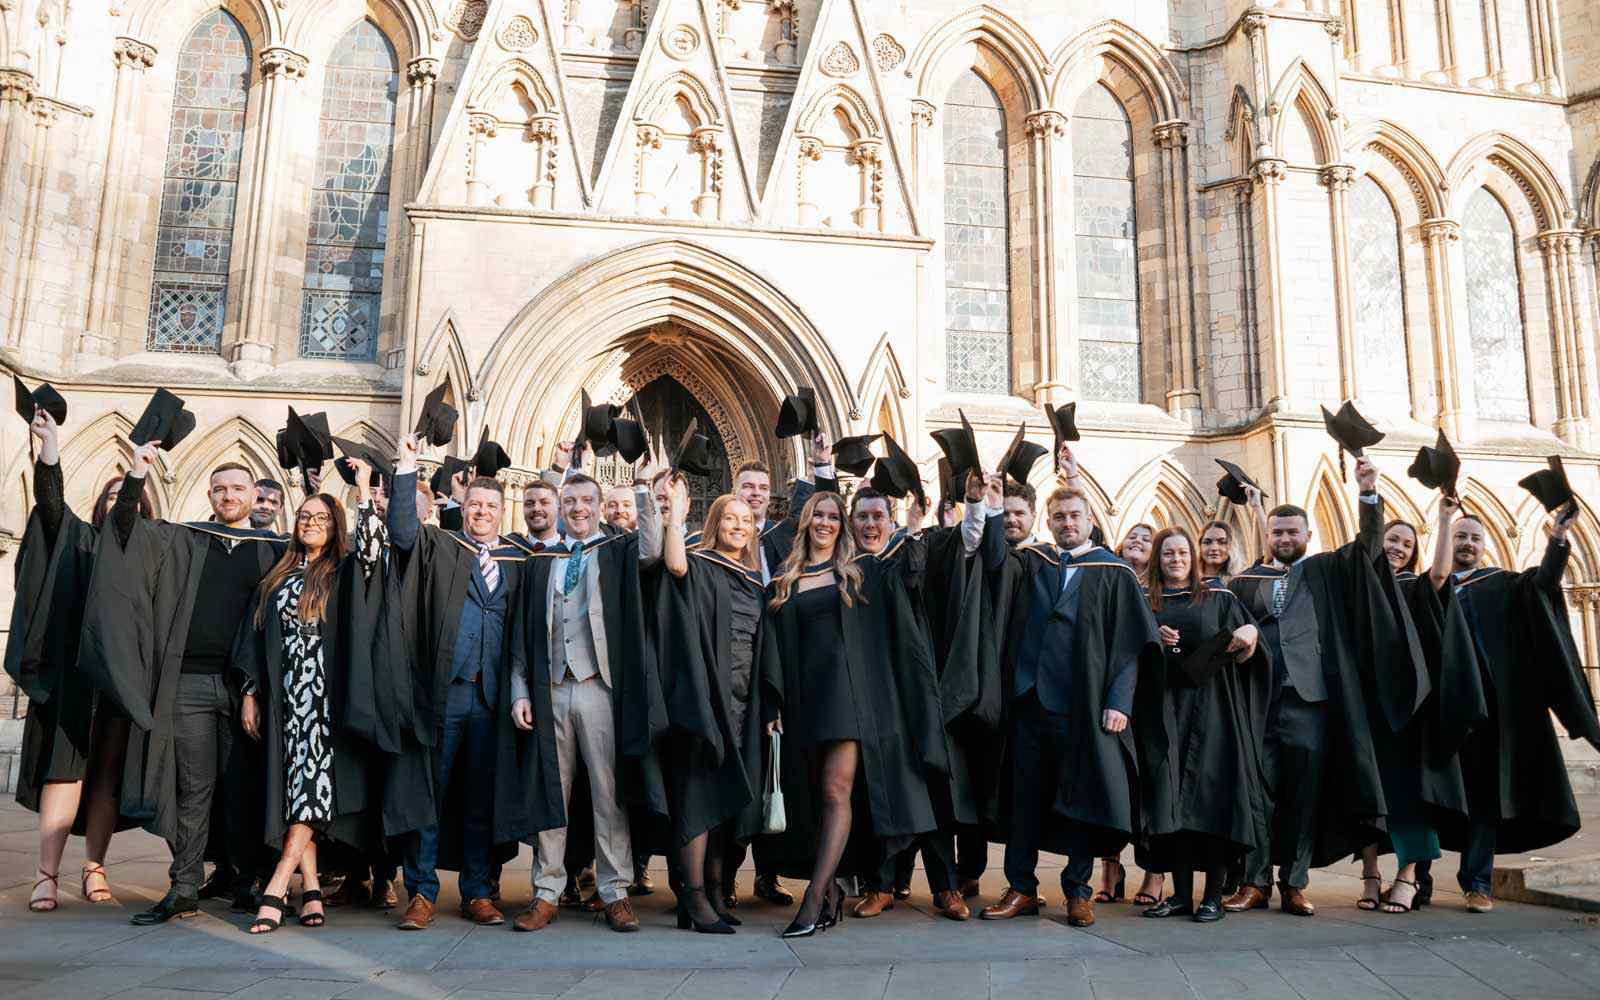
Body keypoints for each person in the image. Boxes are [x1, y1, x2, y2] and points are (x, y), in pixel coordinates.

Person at [80, 442, 284, 926]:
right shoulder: (183, 539)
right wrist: (136, 475)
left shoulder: (274, 551)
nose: (228, 496)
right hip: (189, 683)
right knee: (193, 788)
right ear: (209, 495)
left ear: (255, 494)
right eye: (220, 489)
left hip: (248, 690)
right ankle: (185, 885)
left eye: (237, 488)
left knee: (244, 786)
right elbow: (124, 531)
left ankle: (245, 881)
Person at [1222, 457, 1412, 916]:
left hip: (1310, 701)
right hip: (1257, 699)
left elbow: (1369, 547)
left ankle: (1294, 883)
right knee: (1256, 792)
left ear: (1306, 536)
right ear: (1267, 537)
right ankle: (1253, 881)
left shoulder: (1326, 570)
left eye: (1292, 532)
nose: (1285, 539)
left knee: (1303, 795)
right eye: (1277, 532)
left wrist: (1368, 494)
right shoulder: (1248, 582)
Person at [759, 492, 948, 937]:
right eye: (817, 516)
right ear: (804, 523)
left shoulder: (862, 572)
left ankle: (814, 898)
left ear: (841, 526)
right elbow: (771, 650)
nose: (825, 523)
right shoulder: (785, 578)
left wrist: (915, 530)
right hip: (803, 703)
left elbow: (911, 578)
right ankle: (830, 895)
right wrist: (773, 704)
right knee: (810, 796)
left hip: (848, 700)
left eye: (832, 516)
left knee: (836, 790)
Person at [979, 486, 1160, 928]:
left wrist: (1120, 701)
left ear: (1090, 518)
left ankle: (1078, 892)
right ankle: (1021, 887)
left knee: (1081, 798)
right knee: (1023, 799)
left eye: (1074, 515)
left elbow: (1131, 643)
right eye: (1058, 516)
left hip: (1085, 704)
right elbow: (992, 560)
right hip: (1029, 702)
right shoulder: (1034, 561)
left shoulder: (1113, 571)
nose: (1067, 523)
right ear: (1049, 519)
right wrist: (987, 509)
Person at [1413, 498, 1600, 912]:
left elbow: (1545, 582)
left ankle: (1477, 882)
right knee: (1429, 796)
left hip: (1489, 712)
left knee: (1483, 800)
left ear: (1485, 546)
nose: (1467, 544)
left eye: (1474, 538)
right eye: (1460, 536)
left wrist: (1557, 537)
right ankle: (1418, 881)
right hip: (1435, 710)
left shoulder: (1502, 584)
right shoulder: (1426, 585)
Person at [506, 471, 667, 933]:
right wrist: (520, 689)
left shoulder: (615, 551)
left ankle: (615, 891)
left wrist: (643, 490)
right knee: (551, 793)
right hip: (551, 689)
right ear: (561, 506)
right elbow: (522, 633)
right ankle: (546, 891)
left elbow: (653, 549)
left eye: (586, 501)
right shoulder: (544, 560)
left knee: (607, 793)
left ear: (598, 506)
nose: (578, 509)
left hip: (599, 688)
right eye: (571, 500)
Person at [383, 433, 532, 931]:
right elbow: (402, 531)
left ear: (502, 510)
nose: (482, 513)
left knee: (480, 799)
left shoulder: (518, 559)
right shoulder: (440, 547)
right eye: (475, 505)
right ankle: (421, 892)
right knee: (430, 792)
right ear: (462, 507)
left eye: (491, 506)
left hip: (493, 699)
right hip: (444, 693)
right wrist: (406, 466)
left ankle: (478, 891)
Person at [233, 469, 388, 933]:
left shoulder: (342, 571)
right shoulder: (278, 575)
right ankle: (314, 890)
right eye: (304, 516)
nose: (311, 522)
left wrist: (362, 489)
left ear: (336, 524)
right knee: (296, 790)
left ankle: (279, 885)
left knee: (312, 793)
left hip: (325, 698)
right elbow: (254, 638)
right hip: (286, 700)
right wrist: (250, 693)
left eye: (321, 517)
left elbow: (374, 549)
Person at [8, 410, 146, 912]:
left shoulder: (150, 552)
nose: (119, 503)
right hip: (72, 677)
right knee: (63, 774)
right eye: (110, 496)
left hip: (121, 681)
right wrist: (50, 450)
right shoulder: (80, 539)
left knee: (107, 776)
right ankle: (46, 874)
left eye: (127, 497)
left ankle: (94, 867)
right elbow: (49, 507)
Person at [851, 477, 999, 923]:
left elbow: (964, 548)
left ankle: (945, 887)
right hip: (869, 694)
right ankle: (880, 886)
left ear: (890, 519)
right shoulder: (845, 566)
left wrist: (966, 506)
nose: (871, 524)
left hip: (918, 691)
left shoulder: (911, 553)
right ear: (852, 522)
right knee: (878, 790)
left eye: (878, 516)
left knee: (932, 787)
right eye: (863, 517)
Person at [1351, 515, 1483, 913]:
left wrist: (1443, 519)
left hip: (1410, 709)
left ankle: (1407, 876)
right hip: (1366, 704)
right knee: (1366, 792)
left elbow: (1442, 573)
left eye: (1406, 545)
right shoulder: (1360, 586)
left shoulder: (1415, 586)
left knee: (1412, 793)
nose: (1397, 547)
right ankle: (1371, 875)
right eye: (1392, 539)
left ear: (1413, 554)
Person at [655, 484, 771, 932]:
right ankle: (694, 896)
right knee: (697, 796)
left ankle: (718, 890)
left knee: (725, 797)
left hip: (743, 702)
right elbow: (675, 564)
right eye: (729, 518)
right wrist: (675, 514)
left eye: (745, 520)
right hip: (705, 700)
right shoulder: (701, 565)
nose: (738, 526)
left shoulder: (753, 578)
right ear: (714, 524)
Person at [1136, 527, 1267, 923]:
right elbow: (1130, 648)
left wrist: (1248, 634)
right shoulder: (1146, 601)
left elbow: (1248, 646)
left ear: (1193, 558)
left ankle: (1212, 896)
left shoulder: (1219, 596)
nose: (1176, 559)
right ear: (1158, 559)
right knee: (1171, 800)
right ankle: (1179, 896)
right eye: (1167, 554)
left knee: (1213, 801)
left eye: (1182, 553)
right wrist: (1155, 638)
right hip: (1165, 709)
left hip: (1214, 711)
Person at [1099, 520, 1160, 905]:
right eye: (1132, 537)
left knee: (1153, 786)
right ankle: (1109, 867)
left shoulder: (1165, 588)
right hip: (1114, 697)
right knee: (1112, 783)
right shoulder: (1107, 580)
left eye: (1147, 539)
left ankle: (1155, 873)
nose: (1137, 542)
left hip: (1151, 700)